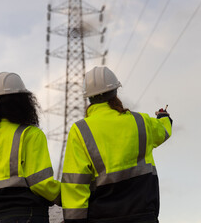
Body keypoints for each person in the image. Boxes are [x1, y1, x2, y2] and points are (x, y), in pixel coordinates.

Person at [61, 66, 172, 223]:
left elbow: (75, 184)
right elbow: (163, 131)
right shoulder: (140, 121)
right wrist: (164, 117)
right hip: (144, 216)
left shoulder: (80, 130)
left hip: (102, 218)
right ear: (115, 92)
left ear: (89, 98)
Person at [0, 72, 61, 223]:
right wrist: (66, 198)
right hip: (26, 215)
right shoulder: (30, 134)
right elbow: (41, 184)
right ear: (23, 102)